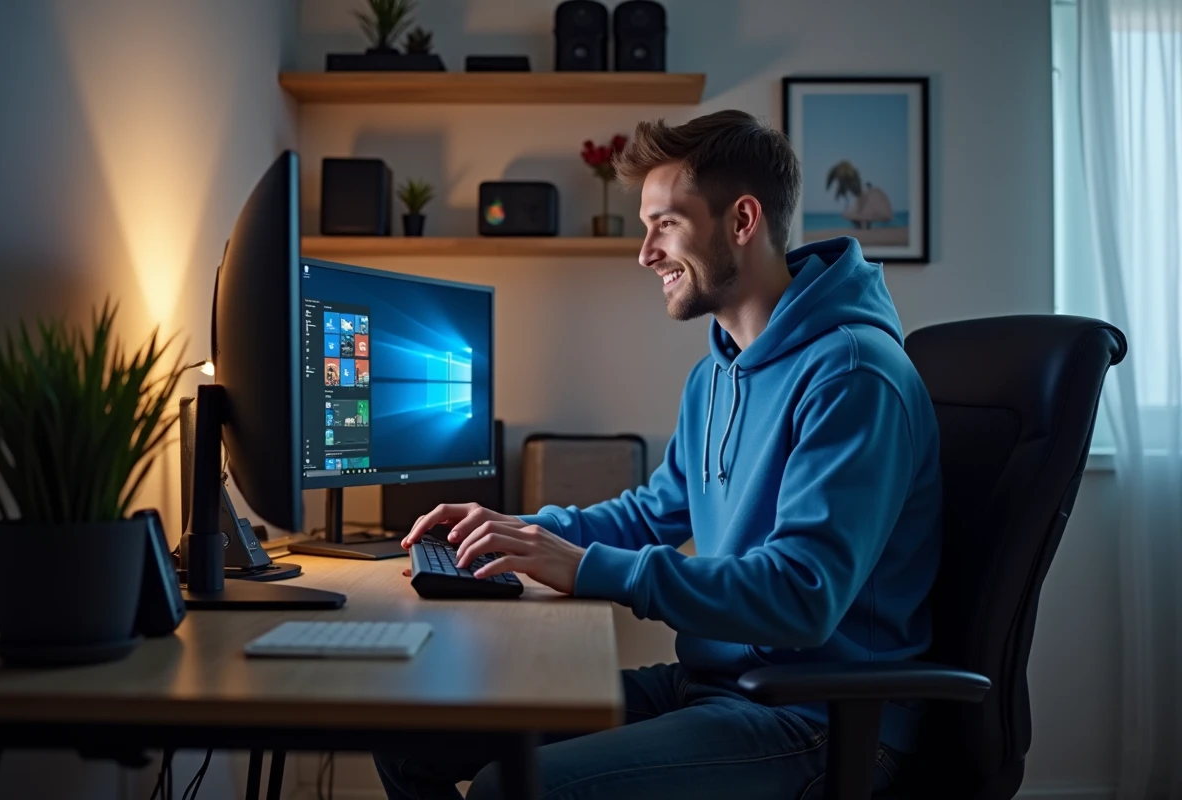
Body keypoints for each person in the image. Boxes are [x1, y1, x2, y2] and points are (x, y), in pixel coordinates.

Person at [375, 109, 942, 799]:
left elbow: (802, 596)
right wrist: (522, 533)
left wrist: (588, 570)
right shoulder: (717, 373)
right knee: (408, 739)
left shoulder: (854, 374)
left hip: (819, 713)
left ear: (741, 222)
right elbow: (655, 512)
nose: (645, 253)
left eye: (664, 224)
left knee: (510, 790)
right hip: (714, 683)